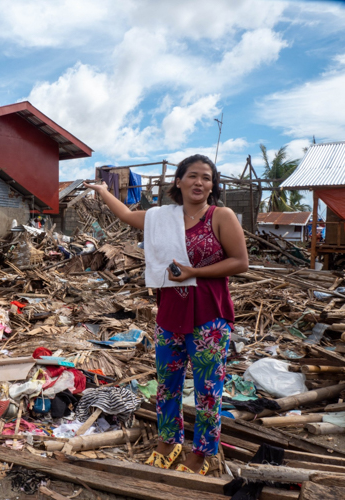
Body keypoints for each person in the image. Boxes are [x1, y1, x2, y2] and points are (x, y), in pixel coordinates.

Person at [84, 155, 248, 475]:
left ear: (212, 185)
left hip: (208, 317)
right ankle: (168, 443)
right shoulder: (162, 217)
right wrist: (104, 191)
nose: (200, 182)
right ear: (178, 181)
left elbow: (240, 262)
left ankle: (200, 454)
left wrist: (194, 271)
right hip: (170, 314)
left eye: (207, 178)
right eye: (193, 176)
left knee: (207, 392)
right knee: (167, 386)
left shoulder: (220, 216)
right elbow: (128, 214)